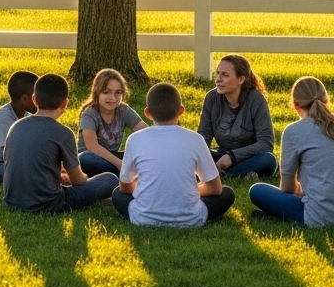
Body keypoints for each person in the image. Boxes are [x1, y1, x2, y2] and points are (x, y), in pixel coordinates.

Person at [249, 76, 334, 228]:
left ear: (296, 106)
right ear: (326, 100)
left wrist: (302, 191)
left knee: (257, 191)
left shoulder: (293, 131)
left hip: (322, 217)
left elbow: (287, 188)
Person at [111, 83, 235, 226]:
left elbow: (124, 187)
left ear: (147, 113)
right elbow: (215, 188)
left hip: (144, 218)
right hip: (191, 219)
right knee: (226, 193)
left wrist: (146, 189)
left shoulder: (134, 139)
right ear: (181, 111)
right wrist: (189, 191)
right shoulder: (195, 139)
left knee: (117, 194)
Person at [2, 73, 119, 212]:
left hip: (11, 201)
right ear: (65, 103)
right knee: (110, 179)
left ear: (34, 99)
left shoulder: (15, 126)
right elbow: (78, 181)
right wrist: (85, 177)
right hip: (49, 203)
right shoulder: (63, 133)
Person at [197, 54, 277, 177]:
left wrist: (232, 157)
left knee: (268, 160)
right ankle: (239, 174)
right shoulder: (211, 98)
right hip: (220, 155)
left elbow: (266, 143)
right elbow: (203, 137)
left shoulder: (256, 100)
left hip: (248, 157)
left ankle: (223, 175)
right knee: (190, 152)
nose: (218, 79)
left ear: (241, 79)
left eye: (225, 75)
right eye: (217, 73)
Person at [77, 68, 147, 176]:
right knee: (84, 158)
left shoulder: (123, 110)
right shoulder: (89, 114)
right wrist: (121, 165)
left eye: (118, 93)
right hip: (92, 160)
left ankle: (126, 175)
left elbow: (146, 133)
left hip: (113, 157)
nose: (112, 98)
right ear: (97, 92)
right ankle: (126, 175)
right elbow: (92, 147)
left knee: (141, 156)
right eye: (106, 92)